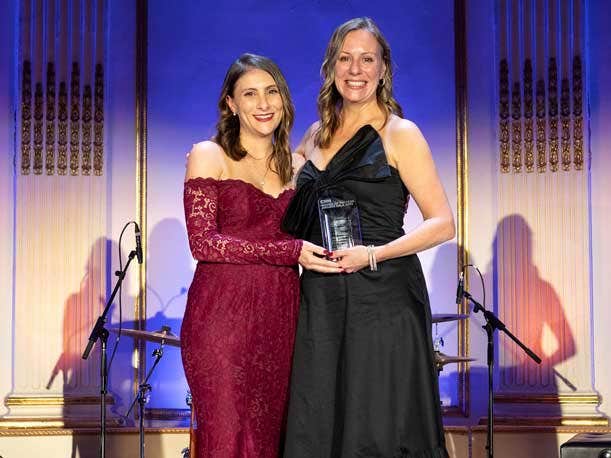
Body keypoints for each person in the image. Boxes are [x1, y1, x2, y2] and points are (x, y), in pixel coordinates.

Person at [282, 18, 455, 457]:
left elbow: (442, 223)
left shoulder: (400, 133)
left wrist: (372, 254)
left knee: (377, 423)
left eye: (366, 59)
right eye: (345, 58)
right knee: (319, 419)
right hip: (321, 298)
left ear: (383, 69)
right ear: (331, 67)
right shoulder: (314, 136)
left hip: (382, 296)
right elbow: (280, 193)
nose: (355, 69)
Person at [181, 53, 339, 458]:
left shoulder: (299, 167)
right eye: (249, 94)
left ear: (284, 99)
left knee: (273, 440)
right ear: (231, 104)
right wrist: (290, 251)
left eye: (272, 92)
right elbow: (204, 244)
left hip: (283, 319)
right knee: (226, 438)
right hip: (220, 320)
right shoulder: (209, 154)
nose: (263, 103)